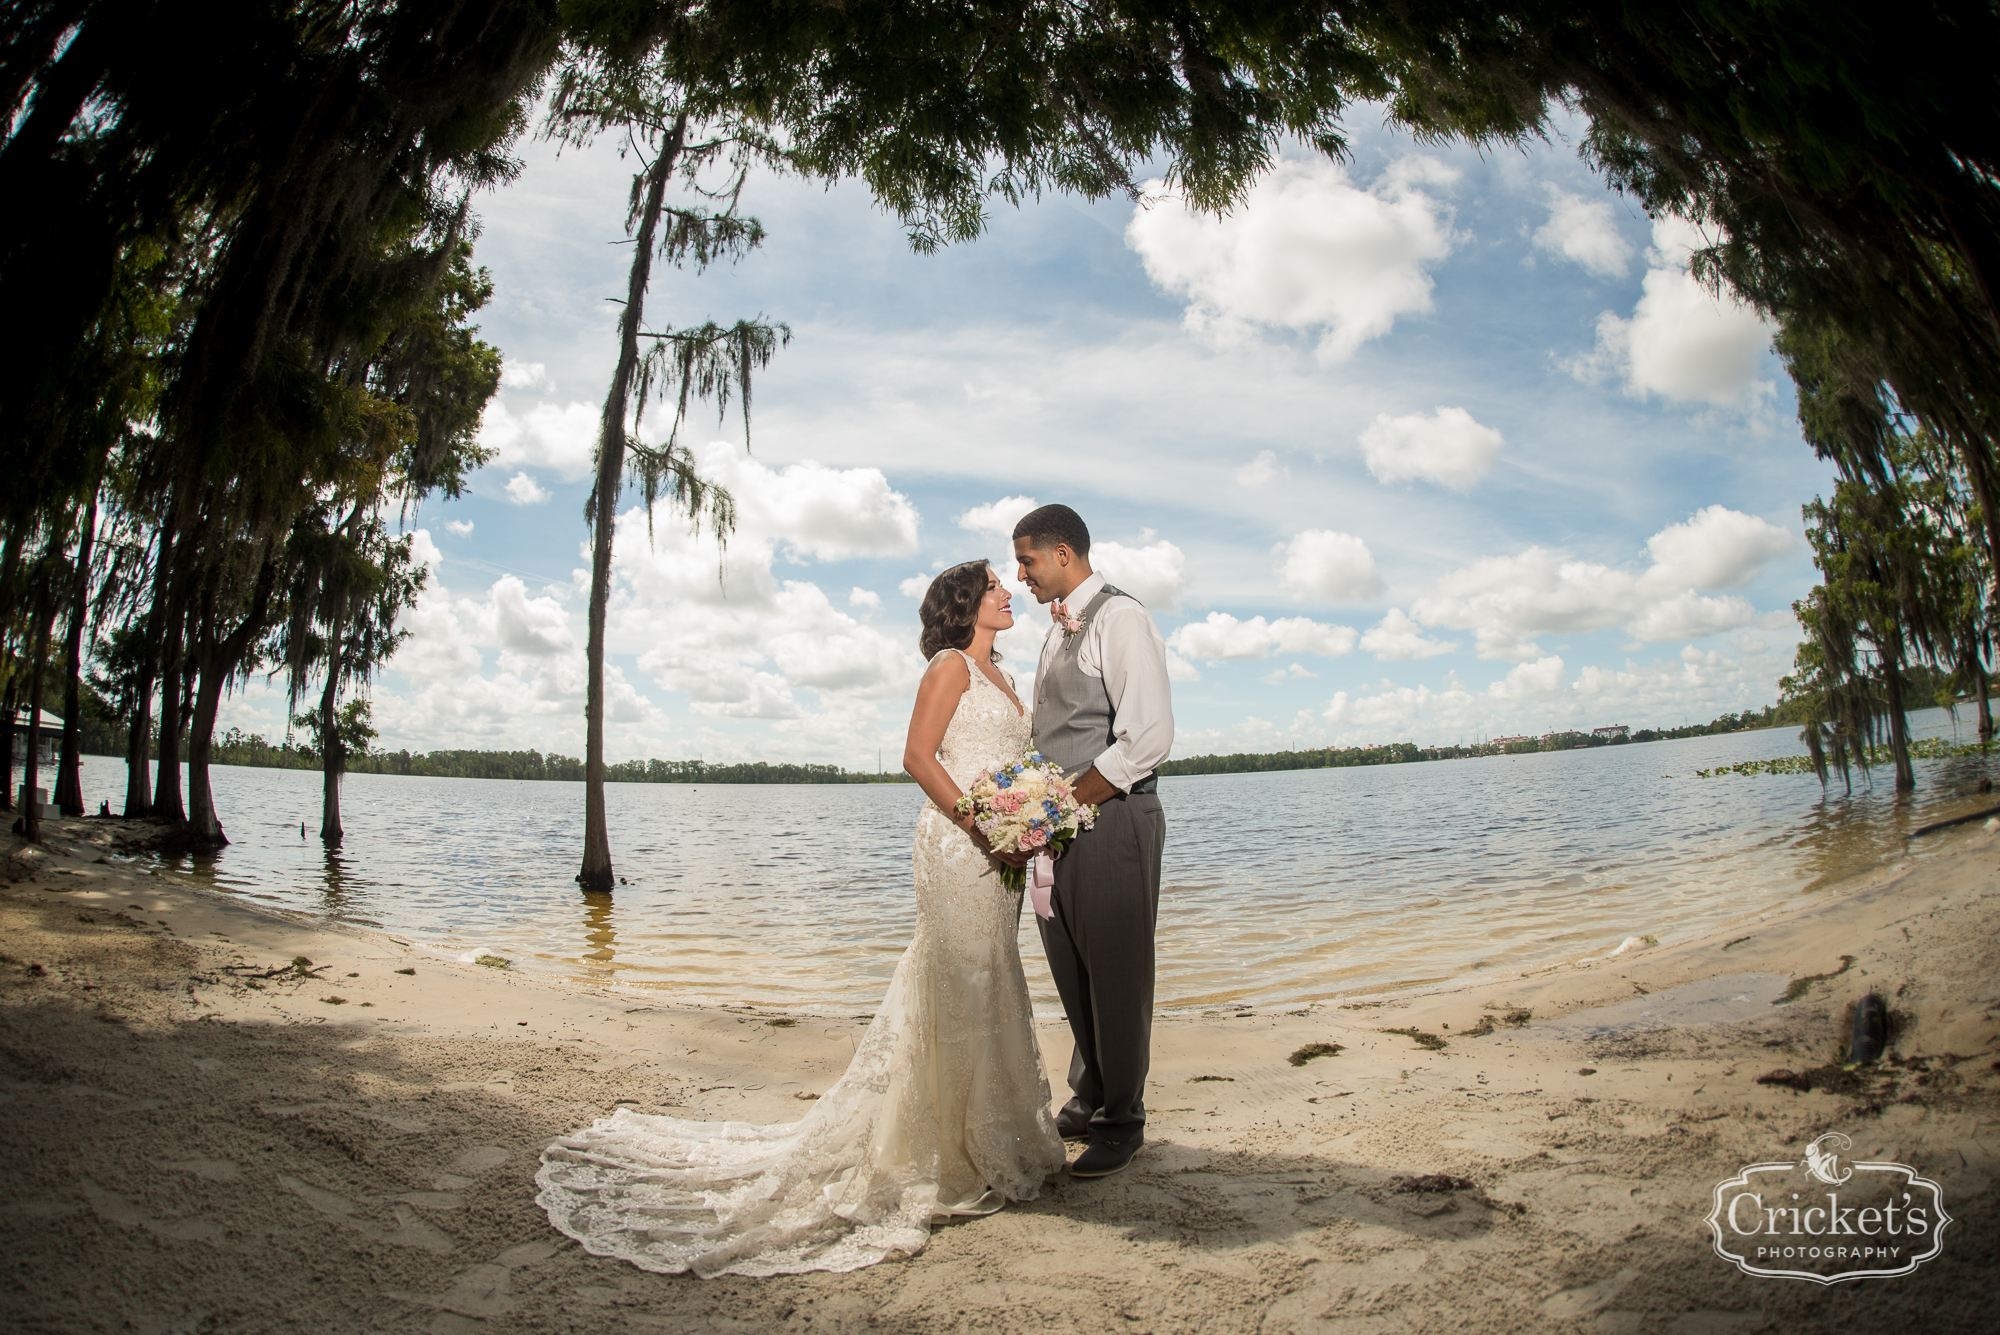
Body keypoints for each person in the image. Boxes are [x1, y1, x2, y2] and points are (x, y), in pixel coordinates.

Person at [536, 559, 1065, 1277]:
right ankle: (948, 1152)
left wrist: (1029, 818)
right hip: (959, 845)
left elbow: (1014, 761)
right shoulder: (949, 667)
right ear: (967, 603)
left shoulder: (1003, 672)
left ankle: (997, 1137)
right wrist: (978, 823)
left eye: (1009, 584)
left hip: (1000, 856)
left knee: (991, 978)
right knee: (959, 980)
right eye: (996, 586)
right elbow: (918, 756)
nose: (1009, 594)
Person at [1011, 504, 1172, 1179]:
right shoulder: (1056, 631)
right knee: (1072, 966)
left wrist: (1066, 805)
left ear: (1065, 553)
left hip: (1112, 822)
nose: (1021, 575)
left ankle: (1122, 1120)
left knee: (1116, 972)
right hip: (1060, 828)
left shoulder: (1120, 617)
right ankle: (1092, 1091)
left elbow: (1149, 734)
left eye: (1028, 562)